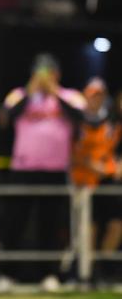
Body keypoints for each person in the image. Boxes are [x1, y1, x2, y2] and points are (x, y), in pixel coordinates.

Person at [1, 53, 85, 285]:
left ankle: (49, 274)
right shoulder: (19, 94)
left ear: (57, 74)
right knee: (15, 223)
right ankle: (9, 274)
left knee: (51, 224)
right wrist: (31, 91)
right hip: (23, 168)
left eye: (48, 72)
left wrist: (54, 91)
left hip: (55, 170)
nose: (44, 77)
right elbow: (8, 116)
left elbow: (80, 116)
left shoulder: (70, 96)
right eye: (40, 73)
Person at [71, 78, 122, 283]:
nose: (96, 100)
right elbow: (73, 152)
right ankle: (86, 271)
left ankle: (105, 269)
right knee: (87, 228)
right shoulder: (77, 121)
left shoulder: (111, 122)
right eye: (93, 96)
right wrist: (91, 165)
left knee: (115, 224)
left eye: (100, 96)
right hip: (83, 182)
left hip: (107, 181)